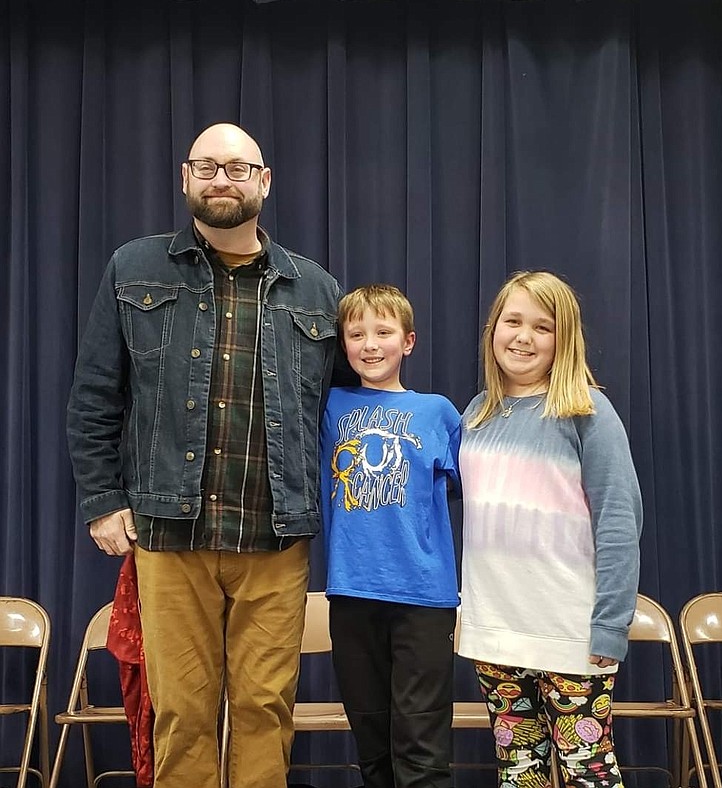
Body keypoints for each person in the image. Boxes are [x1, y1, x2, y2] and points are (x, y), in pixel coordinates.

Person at [67, 122, 343, 788]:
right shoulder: (133, 268)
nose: (224, 179)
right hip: (170, 534)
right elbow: (95, 396)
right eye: (208, 166)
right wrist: (105, 501)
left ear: (265, 182)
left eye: (239, 168)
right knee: (183, 714)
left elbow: (344, 418)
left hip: (276, 541)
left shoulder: (317, 291)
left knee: (264, 710)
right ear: (186, 179)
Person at [457, 271, 643, 788]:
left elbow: (619, 520)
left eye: (543, 327)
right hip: (494, 631)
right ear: (493, 329)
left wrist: (611, 623)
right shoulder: (477, 413)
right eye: (512, 321)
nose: (523, 337)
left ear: (564, 339)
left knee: (589, 774)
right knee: (520, 774)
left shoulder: (587, 409)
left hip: (570, 634)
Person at [319, 284, 461, 788]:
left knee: (421, 749)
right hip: (352, 593)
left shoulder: (439, 412)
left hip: (425, 598)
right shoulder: (328, 406)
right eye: (356, 334)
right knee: (373, 748)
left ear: (409, 341)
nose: (370, 344)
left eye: (383, 332)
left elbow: (478, 485)